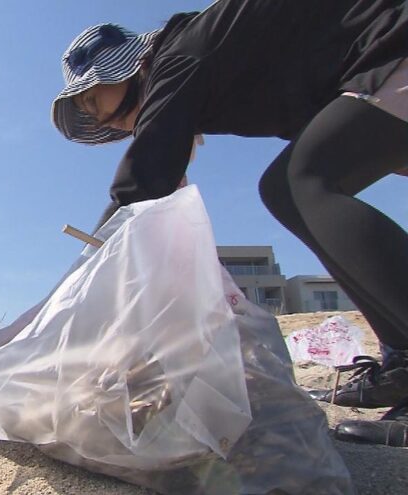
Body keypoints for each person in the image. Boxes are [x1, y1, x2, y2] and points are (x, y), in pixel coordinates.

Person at [51, 0, 408, 447]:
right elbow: (159, 170)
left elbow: (143, 183)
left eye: (107, 103)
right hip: (368, 70)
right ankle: (402, 364)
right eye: (110, 122)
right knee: (297, 186)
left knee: (299, 184)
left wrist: (84, 273)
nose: (120, 124)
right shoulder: (199, 61)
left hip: (391, 46)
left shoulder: (178, 56)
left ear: (132, 68)